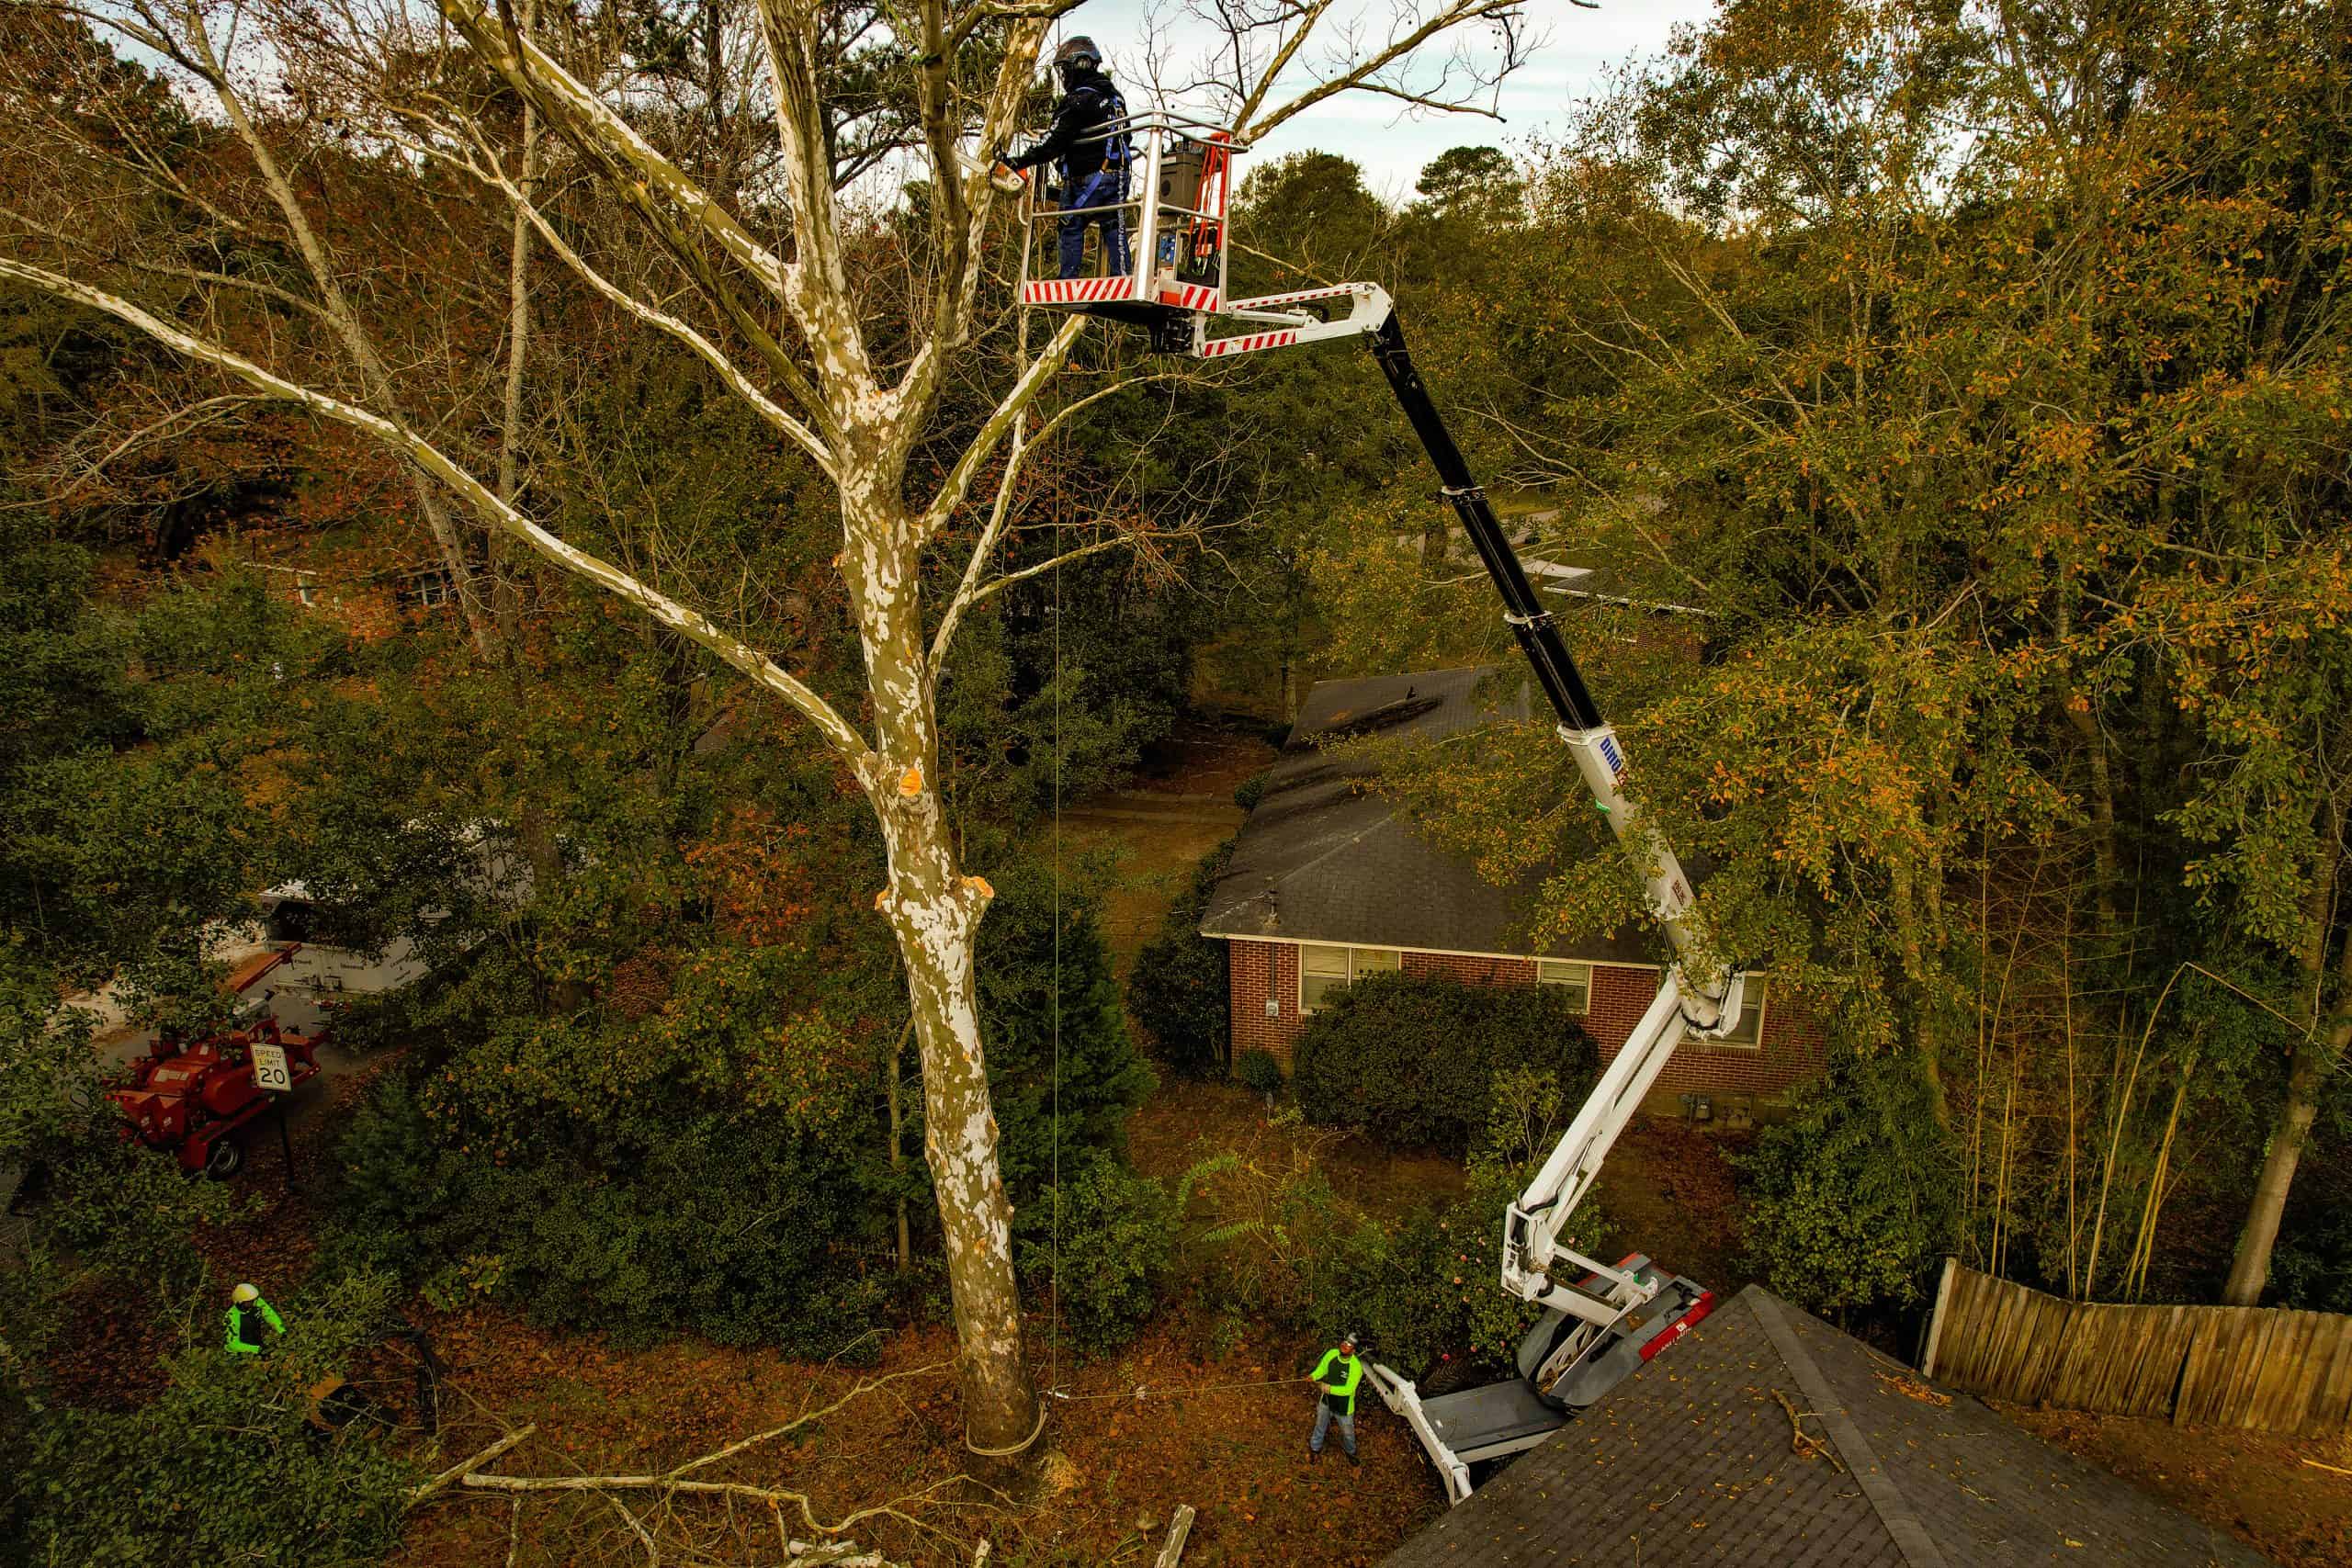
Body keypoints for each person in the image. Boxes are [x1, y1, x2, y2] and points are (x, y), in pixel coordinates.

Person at [998, 37, 1131, 280]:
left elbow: (1053, 142)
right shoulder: (1115, 99)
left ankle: (1067, 279)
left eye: (1065, 70)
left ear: (1079, 65)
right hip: (1119, 175)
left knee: (1070, 223)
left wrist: (1019, 161)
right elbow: (1127, 136)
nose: (1063, 76)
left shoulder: (1078, 100)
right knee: (1114, 227)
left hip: (1090, 177)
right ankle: (1122, 277)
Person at [1307, 1331, 1363, 1464]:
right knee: (1320, 1425)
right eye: (1345, 1342)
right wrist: (1313, 1376)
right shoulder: (1332, 1354)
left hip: (1344, 1407)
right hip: (1326, 1401)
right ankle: (1315, 1448)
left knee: (1348, 1433)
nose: (1345, 1345)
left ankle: (1351, 1452)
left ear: (1354, 1350)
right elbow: (1322, 1369)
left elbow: (1348, 1390)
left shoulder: (1356, 1367)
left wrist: (1329, 1389)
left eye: (1349, 1344)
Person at [224, 1280, 285, 1356]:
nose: (255, 1302)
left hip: (257, 1344)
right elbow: (233, 1344)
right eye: (250, 1301)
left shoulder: (255, 1302)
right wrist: (257, 1349)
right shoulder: (231, 1317)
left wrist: (281, 1330)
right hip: (239, 1353)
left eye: (254, 1300)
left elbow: (270, 1315)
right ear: (241, 1303)